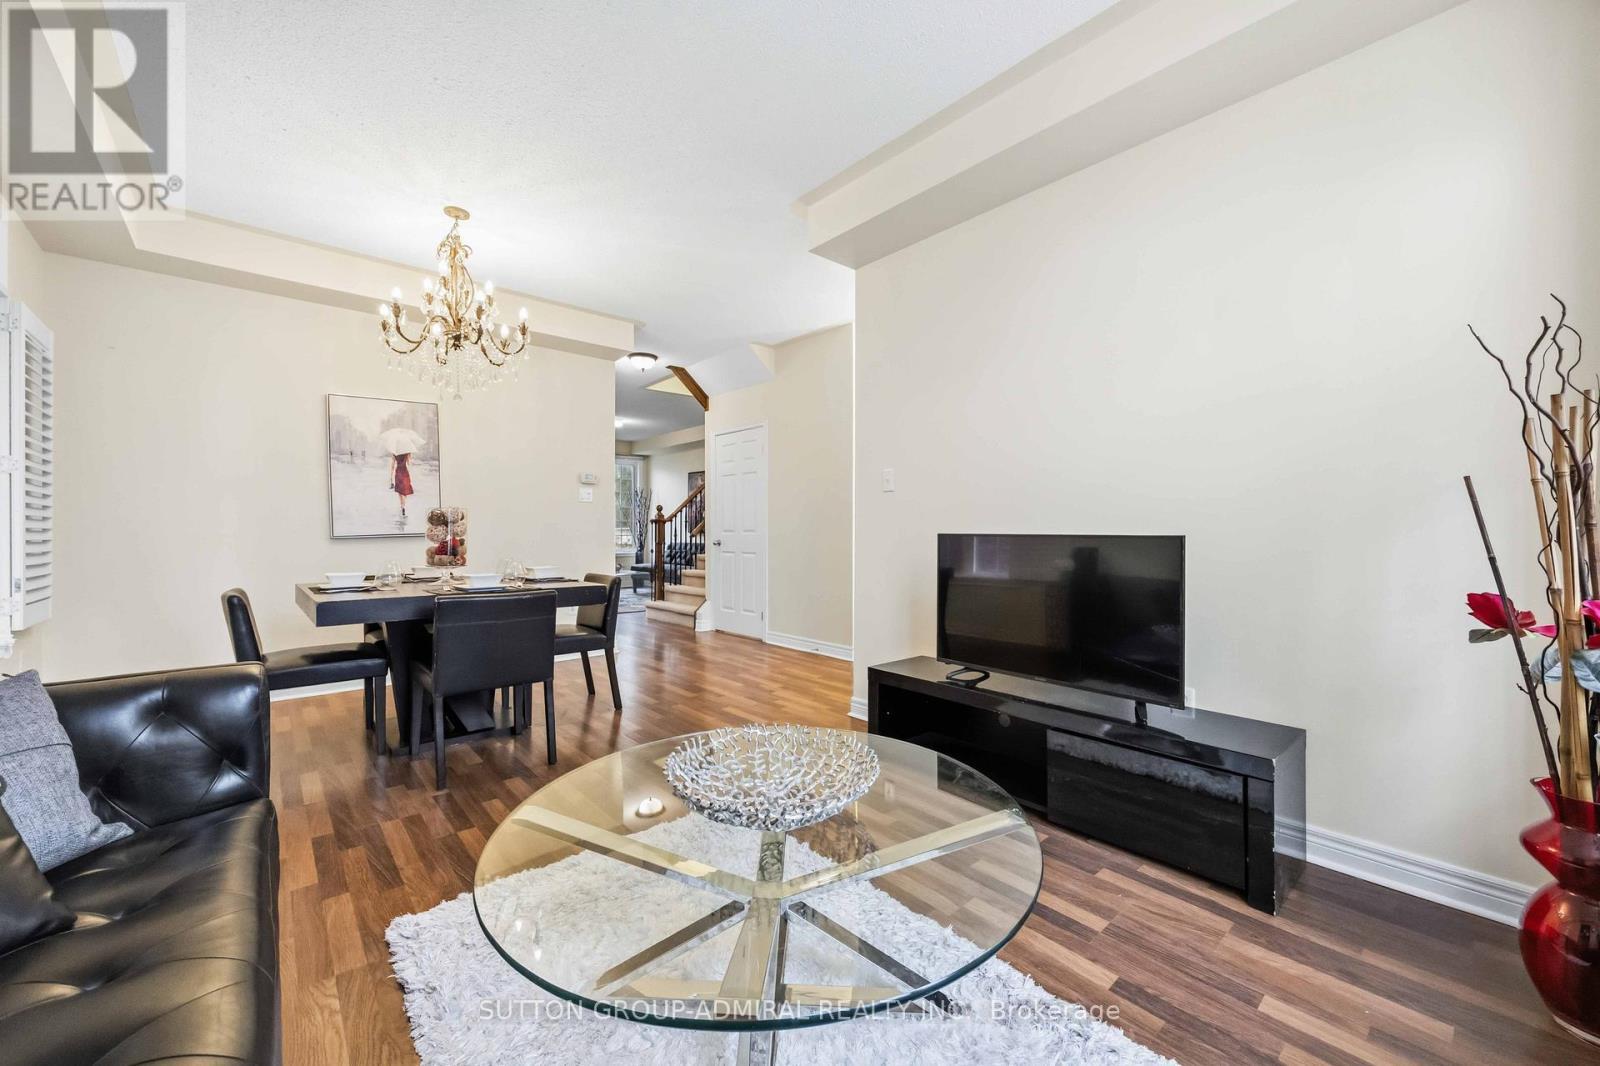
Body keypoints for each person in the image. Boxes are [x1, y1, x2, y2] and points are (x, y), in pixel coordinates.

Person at [389, 451, 415, 519]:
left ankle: (402, 506)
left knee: (400, 491)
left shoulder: (394, 453)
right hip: (405, 472)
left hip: (398, 472)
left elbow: (392, 466)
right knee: (405, 491)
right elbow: (409, 464)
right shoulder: (407, 452)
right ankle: (403, 506)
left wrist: (391, 477)